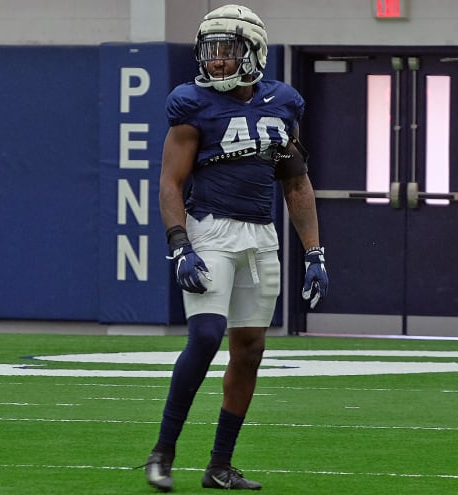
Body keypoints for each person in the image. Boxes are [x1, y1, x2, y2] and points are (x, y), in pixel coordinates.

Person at [143, 4, 328, 492]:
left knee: (250, 349)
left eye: (227, 51)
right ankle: (162, 452)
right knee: (205, 337)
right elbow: (169, 183)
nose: (217, 61)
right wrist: (180, 244)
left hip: (260, 236)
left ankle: (219, 465)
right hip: (211, 233)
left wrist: (314, 252)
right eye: (211, 51)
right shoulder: (192, 103)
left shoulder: (282, 102)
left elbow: (296, 182)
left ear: (253, 52)